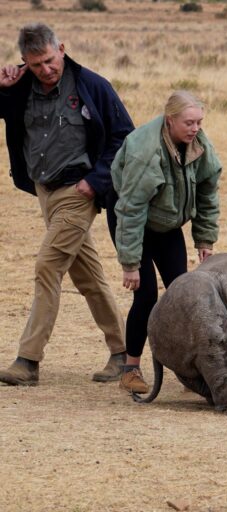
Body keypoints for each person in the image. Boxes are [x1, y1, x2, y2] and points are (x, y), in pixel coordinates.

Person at [0, 23, 131, 386]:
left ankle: (27, 361)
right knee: (87, 275)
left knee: (47, 267)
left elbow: (124, 136)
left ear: (62, 48)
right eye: (35, 64)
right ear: (24, 61)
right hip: (45, 192)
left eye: (49, 60)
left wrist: (96, 181)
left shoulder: (92, 85)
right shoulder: (20, 85)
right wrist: (4, 88)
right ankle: (123, 354)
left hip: (79, 192)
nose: (45, 69)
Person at [111, 90, 221, 393]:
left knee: (183, 294)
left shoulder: (199, 144)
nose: (195, 128)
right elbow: (131, 210)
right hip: (134, 220)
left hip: (167, 222)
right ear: (170, 120)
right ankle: (130, 369)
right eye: (189, 122)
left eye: (199, 121)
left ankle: (192, 369)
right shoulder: (145, 151)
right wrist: (130, 264)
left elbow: (208, 191)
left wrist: (204, 238)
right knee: (145, 295)